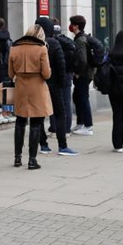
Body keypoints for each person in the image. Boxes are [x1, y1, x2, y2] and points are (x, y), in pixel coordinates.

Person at [8, 24, 52, 170]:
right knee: (36, 123)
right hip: (37, 88)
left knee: (20, 122)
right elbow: (46, 74)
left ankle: (17, 158)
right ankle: (32, 160)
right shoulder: (42, 49)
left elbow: (10, 74)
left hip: (21, 87)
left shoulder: (14, 48)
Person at [35, 17, 78, 156]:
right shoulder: (53, 43)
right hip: (53, 84)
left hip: (37, 85)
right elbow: (61, 65)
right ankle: (62, 145)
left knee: (38, 116)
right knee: (60, 113)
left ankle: (43, 145)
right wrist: (60, 83)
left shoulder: (33, 43)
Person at [69, 15, 94, 136]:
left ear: (76, 26)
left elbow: (83, 60)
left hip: (83, 74)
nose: (70, 26)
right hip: (86, 73)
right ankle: (80, 123)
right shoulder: (82, 38)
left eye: (72, 24)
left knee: (83, 98)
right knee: (78, 97)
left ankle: (88, 126)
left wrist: (78, 72)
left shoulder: (80, 40)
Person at [53, 19, 75, 134]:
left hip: (55, 75)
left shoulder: (51, 42)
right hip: (67, 74)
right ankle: (67, 128)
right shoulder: (68, 41)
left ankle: (55, 127)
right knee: (66, 102)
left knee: (54, 101)